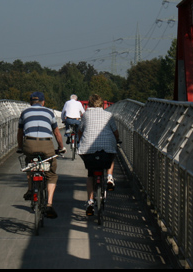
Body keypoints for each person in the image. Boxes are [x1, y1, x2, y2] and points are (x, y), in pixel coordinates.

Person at [17, 91, 66, 219]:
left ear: (30, 102)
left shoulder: (24, 112)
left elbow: (20, 132)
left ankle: (29, 189)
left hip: (29, 143)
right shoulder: (49, 112)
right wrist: (61, 147)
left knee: (29, 163)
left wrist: (20, 147)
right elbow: (56, 132)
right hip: (46, 145)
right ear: (43, 102)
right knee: (51, 173)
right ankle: (49, 203)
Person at [77, 94, 119, 216]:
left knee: (91, 173)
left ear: (89, 104)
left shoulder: (85, 115)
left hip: (88, 150)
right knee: (112, 153)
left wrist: (80, 141)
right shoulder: (109, 115)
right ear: (102, 104)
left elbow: (80, 131)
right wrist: (117, 141)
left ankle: (90, 202)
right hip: (106, 149)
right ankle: (110, 177)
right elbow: (115, 132)